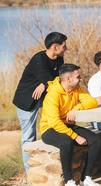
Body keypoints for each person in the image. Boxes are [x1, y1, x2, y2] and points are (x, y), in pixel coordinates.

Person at [12, 32, 67, 172]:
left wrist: (44, 84)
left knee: (52, 128)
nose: (66, 48)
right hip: (26, 102)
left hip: (44, 100)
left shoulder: (59, 59)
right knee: (29, 136)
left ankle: (51, 165)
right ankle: (29, 172)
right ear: (55, 47)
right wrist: (45, 83)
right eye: (64, 45)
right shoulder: (39, 59)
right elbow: (50, 80)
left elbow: (57, 79)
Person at [40, 64, 101, 186]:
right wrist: (76, 137)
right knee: (67, 142)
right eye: (78, 77)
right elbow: (54, 122)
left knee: (96, 140)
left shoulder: (76, 89)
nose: (81, 79)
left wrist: (76, 108)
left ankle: (86, 178)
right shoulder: (53, 94)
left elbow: (92, 101)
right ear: (68, 79)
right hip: (49, 129)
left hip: (67, 125)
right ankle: (69, 181)